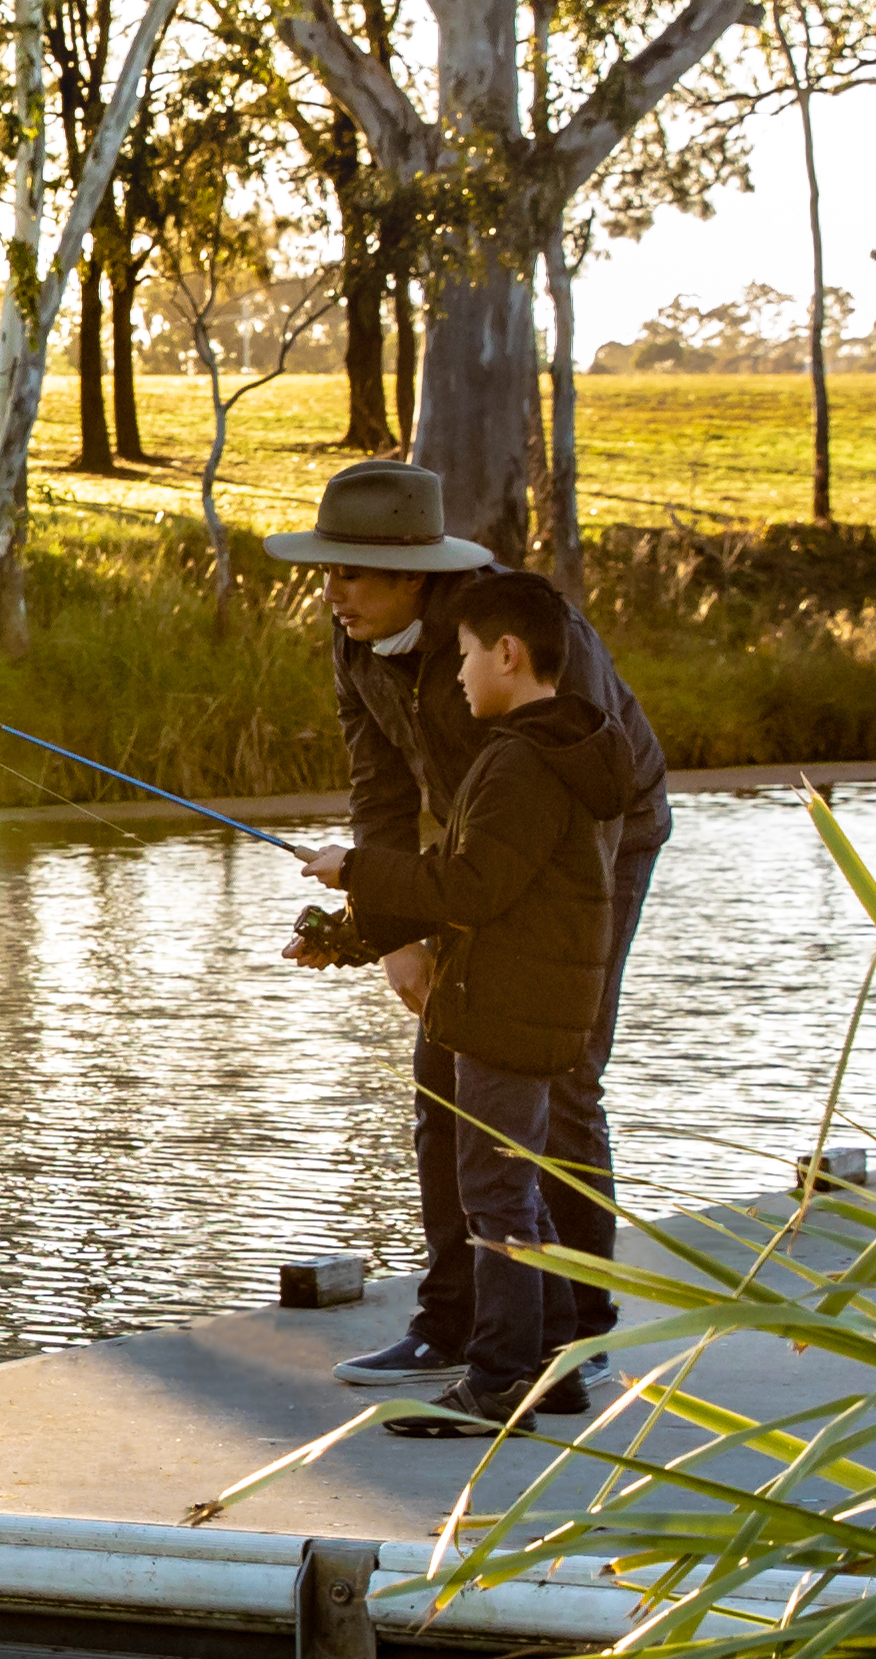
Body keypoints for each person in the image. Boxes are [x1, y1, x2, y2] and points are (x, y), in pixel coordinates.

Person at [261, 462, 670, 1417]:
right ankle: (453, 1322)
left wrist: (490, 925)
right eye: (326, 571)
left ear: (417, 574)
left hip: (592, 846)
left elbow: (587, 793)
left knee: (553, 1067)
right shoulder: (354, 639)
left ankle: (577, 1339)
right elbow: (382, 790)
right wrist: (394, 936)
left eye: (350, 573)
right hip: (475, 846)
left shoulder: (509, 635)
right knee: (442, 1065)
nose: (332, 592)